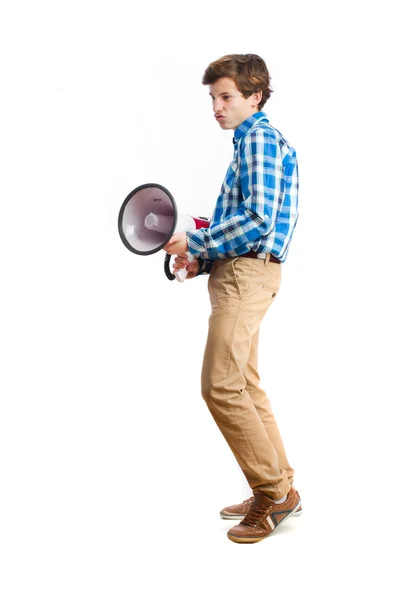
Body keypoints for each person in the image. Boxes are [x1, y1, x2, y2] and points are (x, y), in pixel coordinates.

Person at [163, 54, 301, 544]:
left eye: (226, 97)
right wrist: (198, 252)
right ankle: (280, 485)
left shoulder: (260, 138)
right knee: (243, 382)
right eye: (213, 98)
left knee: (220, 386)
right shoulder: (250, 143)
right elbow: (242, 221)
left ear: (255, 96)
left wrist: (197, 243)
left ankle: (272, 494)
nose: (216, 108)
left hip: (248, 275)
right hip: (243, 272)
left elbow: (258, 221)